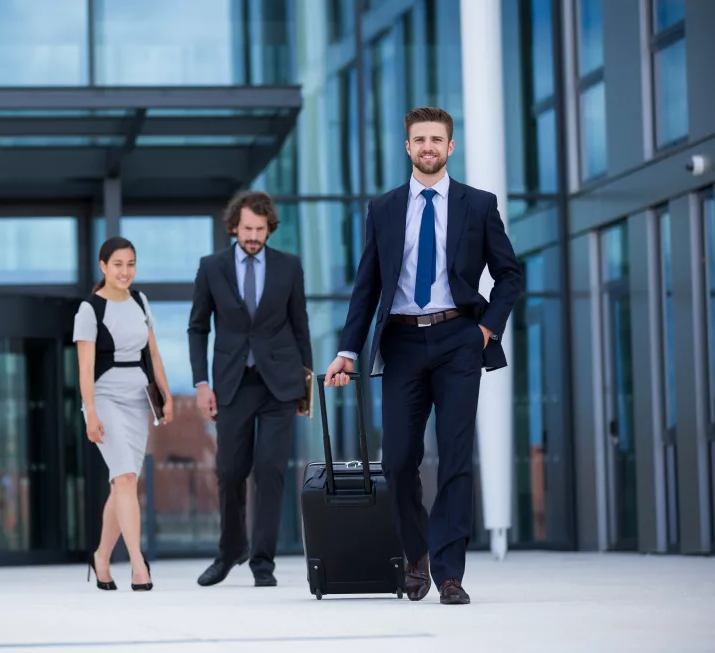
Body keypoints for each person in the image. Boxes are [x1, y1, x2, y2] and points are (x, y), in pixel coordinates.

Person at [324, 107, 522, 605]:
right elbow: (367, 285)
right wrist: (348, 350)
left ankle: (450, 574)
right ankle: (416, 556)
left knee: (455, 458)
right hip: (404, 343)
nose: (429, 146)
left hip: (459, 340)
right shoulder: (384, 208)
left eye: (437, 138)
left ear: (450, 147)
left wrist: (485, 330)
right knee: (397, 461)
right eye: (420, 139)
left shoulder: (478, 205)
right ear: (407, 147)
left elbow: (509, 275)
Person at [188, 190, 312, 588]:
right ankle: (230, 552)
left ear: (269, 229)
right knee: (229, 471)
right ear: (234, 227)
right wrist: (201, 384)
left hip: (279, 386)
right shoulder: (212, 268)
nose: (254, 236)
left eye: (260, 229)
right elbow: (197, 328)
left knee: (271, 471)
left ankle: (263, 563)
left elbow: (300, 326)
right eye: (247, 229)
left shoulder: (289, 267)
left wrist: (305, 387)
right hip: (232, 384)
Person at [74, 236, 175, 592]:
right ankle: (137, 564)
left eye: (130, 264)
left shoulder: (140, 300)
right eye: (117, 264)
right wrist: (91, 414)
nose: (125, 271)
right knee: (126, 480)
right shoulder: (89, 310)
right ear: (103, 266)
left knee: (122, 483)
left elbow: (154, 353)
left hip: (137, 399)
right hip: (105, 398)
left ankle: (102, 556)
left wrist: (165, 394)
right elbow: (84, 369)